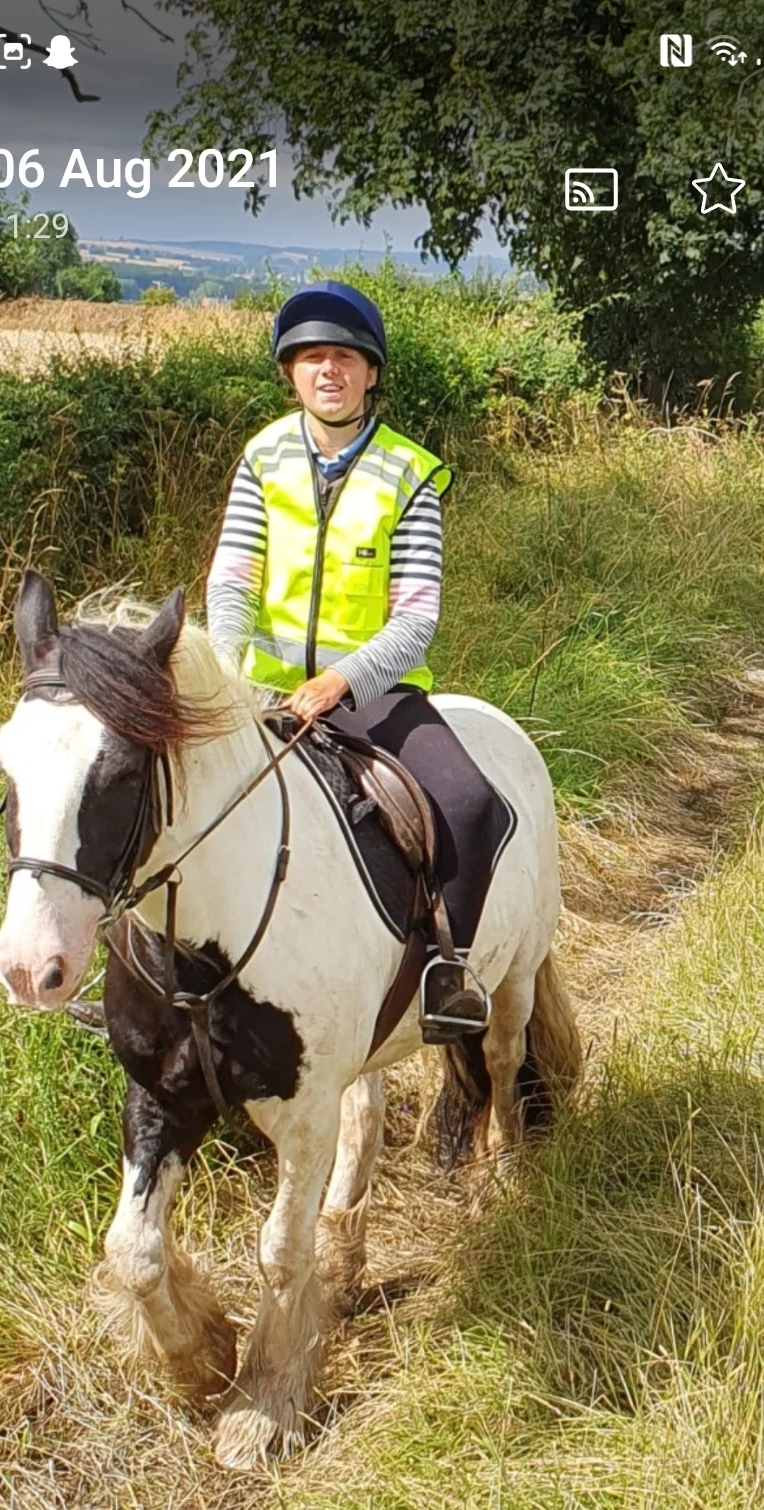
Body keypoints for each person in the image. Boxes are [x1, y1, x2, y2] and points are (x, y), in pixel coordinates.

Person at [205, 278, 498, 1036]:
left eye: (343, 357)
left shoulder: (410, 474)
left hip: (374, 695)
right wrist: (234, 674)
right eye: (309, 359)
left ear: (371, 373)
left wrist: (340, 680)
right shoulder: (262, 459)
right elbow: (231, 582)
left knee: (469, 806)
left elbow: (415, 617)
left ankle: (448, 976)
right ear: (290, 373)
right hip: (261, 690)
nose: (326, 370)